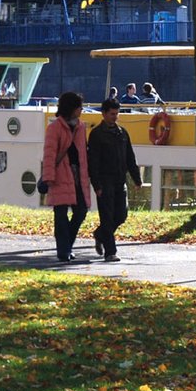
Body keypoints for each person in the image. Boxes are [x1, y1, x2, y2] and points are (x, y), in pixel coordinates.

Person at [88, 98, 142, 263]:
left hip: (120, 180)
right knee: (107, 216)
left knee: (121, 215)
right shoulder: (96, 135)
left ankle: (100, 234)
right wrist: (96, 184)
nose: (115, 117)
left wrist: (137, 179)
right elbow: (93, 162)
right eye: (112, 114)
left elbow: (130, 157)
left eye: (117, 114)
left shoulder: (122, 133)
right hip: (105, 180)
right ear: (103, 114)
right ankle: (110, 252)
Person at [40, 91, 93, 262]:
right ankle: (64, 250)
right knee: (60, 215)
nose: (81, 110)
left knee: (81, 212)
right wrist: (49, 177)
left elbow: (83, 154)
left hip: (77, 175)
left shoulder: (81, 126)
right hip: (61, 174)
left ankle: (66, 245)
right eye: (79, 107)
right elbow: (49, 154)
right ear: (72, 108)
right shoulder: (54, 128)